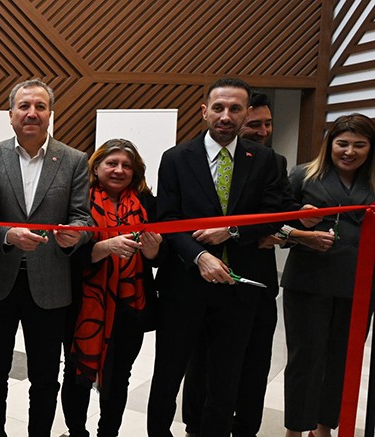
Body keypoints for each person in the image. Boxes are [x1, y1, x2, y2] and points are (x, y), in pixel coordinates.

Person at [147, 77, 286, 437]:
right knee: (168, 373)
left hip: (238, 289)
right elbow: (168, 220)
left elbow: (273, 214)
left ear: (245, 114)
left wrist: (232, 231)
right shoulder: (176, 158)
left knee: (225, 377)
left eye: (235, 109)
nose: (226, 115)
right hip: (184, 285)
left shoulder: (267, 160)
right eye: (219, 107)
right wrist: (200, 257)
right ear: (204, 111)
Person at [0, 79, 91, 436]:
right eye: (24, 106)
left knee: (45, 377)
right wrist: (6, 235)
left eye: (40, 106)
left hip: (51, 285)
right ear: (10, 114)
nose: (32, 113)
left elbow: (83, 218)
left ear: (50, 114)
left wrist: (75, 235)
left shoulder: (74, 160)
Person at [280, 113, 374, 437]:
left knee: (343, 360)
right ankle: (295, 428)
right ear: (330, 144)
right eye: (342, 143)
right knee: (304, 359)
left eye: (359, 145)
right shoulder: (303, 175)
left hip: (359, 285)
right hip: (309, 281)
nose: (349, 151)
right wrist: (300, 229)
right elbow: (276, 226)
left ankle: (324, 427)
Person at [60, 139, 161, 437]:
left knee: (119, 377)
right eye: (112, 163)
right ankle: (77, 432)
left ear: (135, 171)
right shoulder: (78, 200)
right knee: (76, 373)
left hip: (130, 306)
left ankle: (108, 432)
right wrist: (106, 247)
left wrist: (153, 250)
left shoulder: (147, 203)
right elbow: (68, 255)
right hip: (82, 305)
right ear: (96, 167)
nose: (119, 170)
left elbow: (159, 257)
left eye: (126, 165)